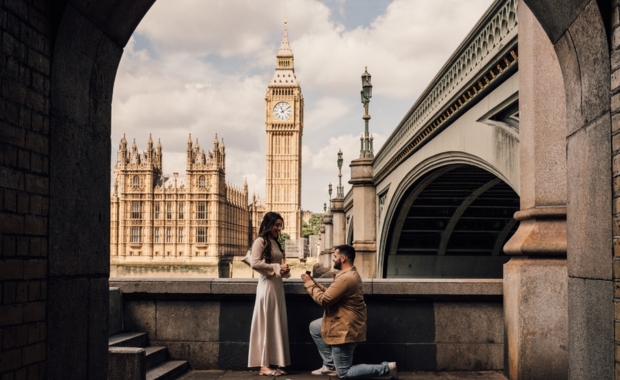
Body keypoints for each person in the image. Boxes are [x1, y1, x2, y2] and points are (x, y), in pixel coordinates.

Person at [301, 244, 398, 379]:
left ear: (343, 258)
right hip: (344, 320)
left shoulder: (346, 278)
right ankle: (330, 365)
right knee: (315, 327)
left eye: (335, 256)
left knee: (345, 373)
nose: (333, 259)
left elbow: (324, 300)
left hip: (344, 327)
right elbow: (330, 293)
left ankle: (386, 368)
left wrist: (308, 284)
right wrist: (313, 282)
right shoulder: (348, 275)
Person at [248, 212, 291, 376]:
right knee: (267, 324)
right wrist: (277, 268)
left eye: (281, 225)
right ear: (269, 224)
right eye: (277, 225)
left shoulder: (275, 242)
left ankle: (274, 361)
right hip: (266, 286)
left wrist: (284, 270)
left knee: (276, 323)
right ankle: (263, 366)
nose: (279, 228)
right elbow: (255, 263)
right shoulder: (260, 241)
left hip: (277, 286)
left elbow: (277, 267)